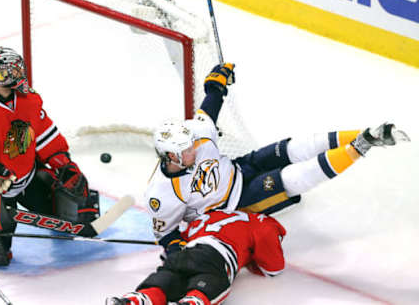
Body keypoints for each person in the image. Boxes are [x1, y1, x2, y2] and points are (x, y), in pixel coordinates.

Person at [145, 62, 410, 256]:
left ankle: (368, 133)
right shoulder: (161, 193)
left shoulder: (196, 134)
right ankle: (363, 146)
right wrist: (179, 247)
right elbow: (167, 234)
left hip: (240, 168)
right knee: (290, 179)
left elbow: (210, 104)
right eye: (185, 149)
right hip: (234, 206)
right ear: (171, 156)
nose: (192, 148)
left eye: (190, 143)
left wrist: (216, 83)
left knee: (290, 148)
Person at [0, 47, 99, 266]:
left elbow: (45, 134)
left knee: (64, 208)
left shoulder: (29, 99)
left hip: (27, 177)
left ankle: (78, 206)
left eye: (16, 71)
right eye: (5, 73)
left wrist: (63, 163)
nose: (12, 77)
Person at [106, 209, 286, 305]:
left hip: (186, 253)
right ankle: (193, 302)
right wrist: (253, 263)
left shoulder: (205, 217)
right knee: (209, 283)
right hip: (215, 256)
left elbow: (170, 252)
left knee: (168, 279)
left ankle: (135, 300)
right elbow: (273, 267)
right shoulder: (258, 220)